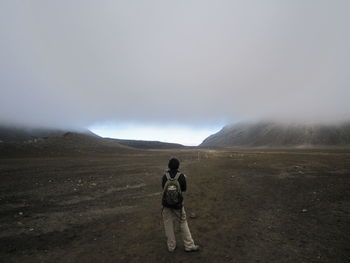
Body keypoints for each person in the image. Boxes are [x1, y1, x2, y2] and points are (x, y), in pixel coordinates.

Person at [161, 158, 199, 252]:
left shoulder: (164, 176)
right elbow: (184, 189)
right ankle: (189, 245)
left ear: (169, 166)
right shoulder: (181, 176)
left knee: (168, 223)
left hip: (166, 204)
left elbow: (163, 188)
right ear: (178, 166)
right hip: (178, 205)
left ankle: (171, 246)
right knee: (183, 222)